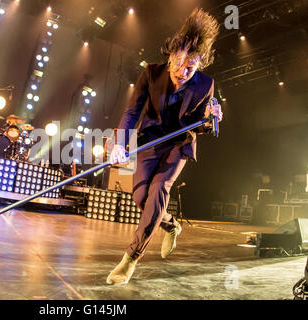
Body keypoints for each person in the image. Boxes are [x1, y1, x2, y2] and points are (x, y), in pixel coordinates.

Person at [107, 8, 223, 285]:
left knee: (159, 190)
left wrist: (210, 121)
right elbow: (132, 112)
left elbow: (197, 124)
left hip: (177, 146)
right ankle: (170, 224)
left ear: (199, 64)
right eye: (180, 63)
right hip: (149, 141)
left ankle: (130, 259)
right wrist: (119, 144)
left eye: (191, 67)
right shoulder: (150, 73)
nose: (184, 72)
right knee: (140, 199)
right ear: (171, 56)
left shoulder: (205, 84)